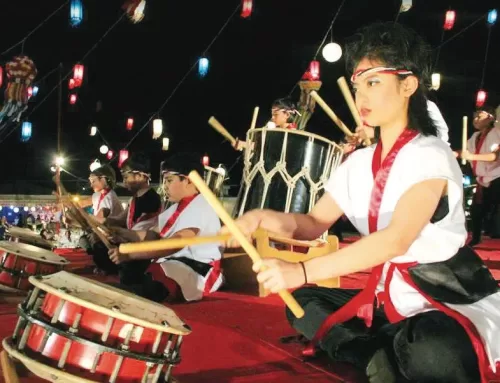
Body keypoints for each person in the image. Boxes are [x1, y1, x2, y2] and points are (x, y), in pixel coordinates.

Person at [222, 22, 500, 383]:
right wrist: (260, 217)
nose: (360, 97)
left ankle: (382, 350)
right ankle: (372, 354)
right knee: (304, 302)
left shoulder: (431, 154)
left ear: (408, 85)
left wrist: (302, 269)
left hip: (443, 293)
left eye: (373, 82)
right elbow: (312, 224)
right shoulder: (356, 164)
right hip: (386, 294)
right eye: (357, 86)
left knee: (431, 347)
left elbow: (395, 240)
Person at [107, 152, 224, 303]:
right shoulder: (177, 207)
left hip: (196, 270)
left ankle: (126, 294)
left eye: (169, 180)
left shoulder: (202, 204)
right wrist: (123, 233)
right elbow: (153, 235)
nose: (165, 186)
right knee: (135, 271)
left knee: (149, 283)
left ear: (188, 181)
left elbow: (175, 243)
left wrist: (130, 253)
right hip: (173, 262)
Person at [94, 153, 162, 274]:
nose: (124, 182)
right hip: (131, 241)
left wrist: (118, 234)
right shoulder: (134, 199)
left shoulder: (151, 200)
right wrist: (103, 222)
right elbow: (120, 219)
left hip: (143, 251)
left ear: (140, 176)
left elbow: (140, 233)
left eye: (126, 176)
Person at [462, 105, 500, 246]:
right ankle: (476, 237)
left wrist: (471, 155)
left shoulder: (497, 132)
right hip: (483, 179)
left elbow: (495, 156)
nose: (475, 119)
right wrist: (454, 153)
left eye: (479, 116)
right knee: (477, 210)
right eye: (474, 117)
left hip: (497, 176)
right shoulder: (474, 136)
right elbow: (466, 152)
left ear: (490, 117)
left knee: (495, 210)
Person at [234, 98, 301, 151]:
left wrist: (244, 144)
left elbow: (268, 148)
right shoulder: (278, 130)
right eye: (272, 114)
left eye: (275, 114)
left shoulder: (291, 133)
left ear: (287, 114)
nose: (272, 117)